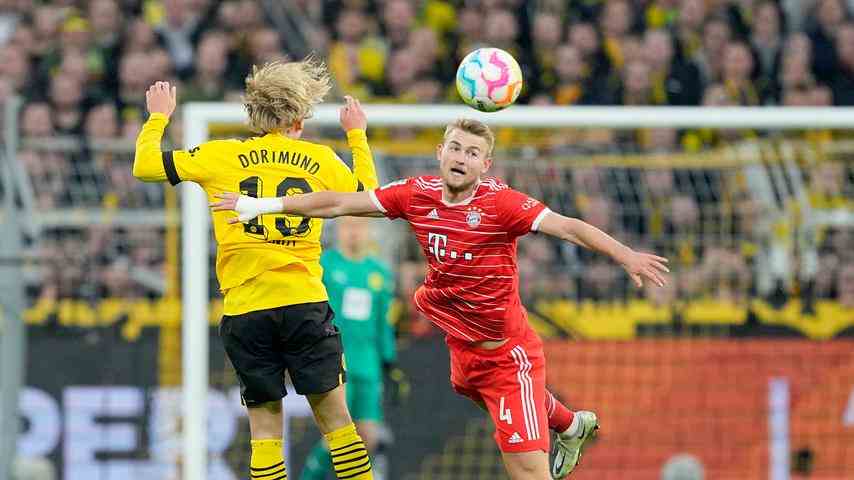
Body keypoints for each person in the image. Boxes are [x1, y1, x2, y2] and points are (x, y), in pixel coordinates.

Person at [212, 118, 670, 480]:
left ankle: (566, 427)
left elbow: (568, 226)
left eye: (473, 153)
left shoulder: (502, 204)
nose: (461, 158)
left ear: (485, 165)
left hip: (507, 356)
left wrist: (624, 254)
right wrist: (261, 206)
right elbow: (337, 203)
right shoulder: (416, 194)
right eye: (455, 147)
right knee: (489, 399)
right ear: (440, 153)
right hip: (463, 353)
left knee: (527, 470)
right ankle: (570, 424)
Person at [133, 57, 379, 480]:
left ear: (253, 114)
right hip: (303, 304)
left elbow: (146, 166)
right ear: (299, 117)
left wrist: (158, 118)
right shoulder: (320, 160)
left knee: (265, 430)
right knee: (338, 423)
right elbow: (370, 198)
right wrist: (356, 136)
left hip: (246, 309)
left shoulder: (221, 155)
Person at [301, 216, 396, 480]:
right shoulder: (325, 266)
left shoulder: (379, 272)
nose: (353, 232)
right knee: (338, 437)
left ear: (368, 230)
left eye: (359, 226)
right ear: (339, 230)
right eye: (348, 226)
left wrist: (390, 362)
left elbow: (383, 322)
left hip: (369, 365)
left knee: (368, 437)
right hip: (334, 363)